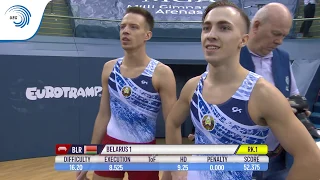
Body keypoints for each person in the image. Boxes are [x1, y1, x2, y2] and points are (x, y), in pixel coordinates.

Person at [165, 1, 320, 180]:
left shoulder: (263, 94)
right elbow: (172, 122)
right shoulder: (193, 86)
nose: (211, 35)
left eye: (224, 28)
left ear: (243, 40)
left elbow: (311, 159)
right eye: (206, 28)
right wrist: (174, 169)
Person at [76, 7, 177, 180]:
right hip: (111, 147)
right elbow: (103, 114)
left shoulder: (162, 73)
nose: (125, 31)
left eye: (133, 27)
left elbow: (172, 124)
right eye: (122, 27)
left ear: (147, 35)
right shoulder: (109, 68)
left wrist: (171, 168)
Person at [240, 3, 312, 179]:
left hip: (277, 158)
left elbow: (294, 95)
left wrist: (298, 110)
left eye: (284, 36)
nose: (280, 41)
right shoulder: (232, 55)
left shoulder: (283, 58)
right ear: (256, 26)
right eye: (276, 34)